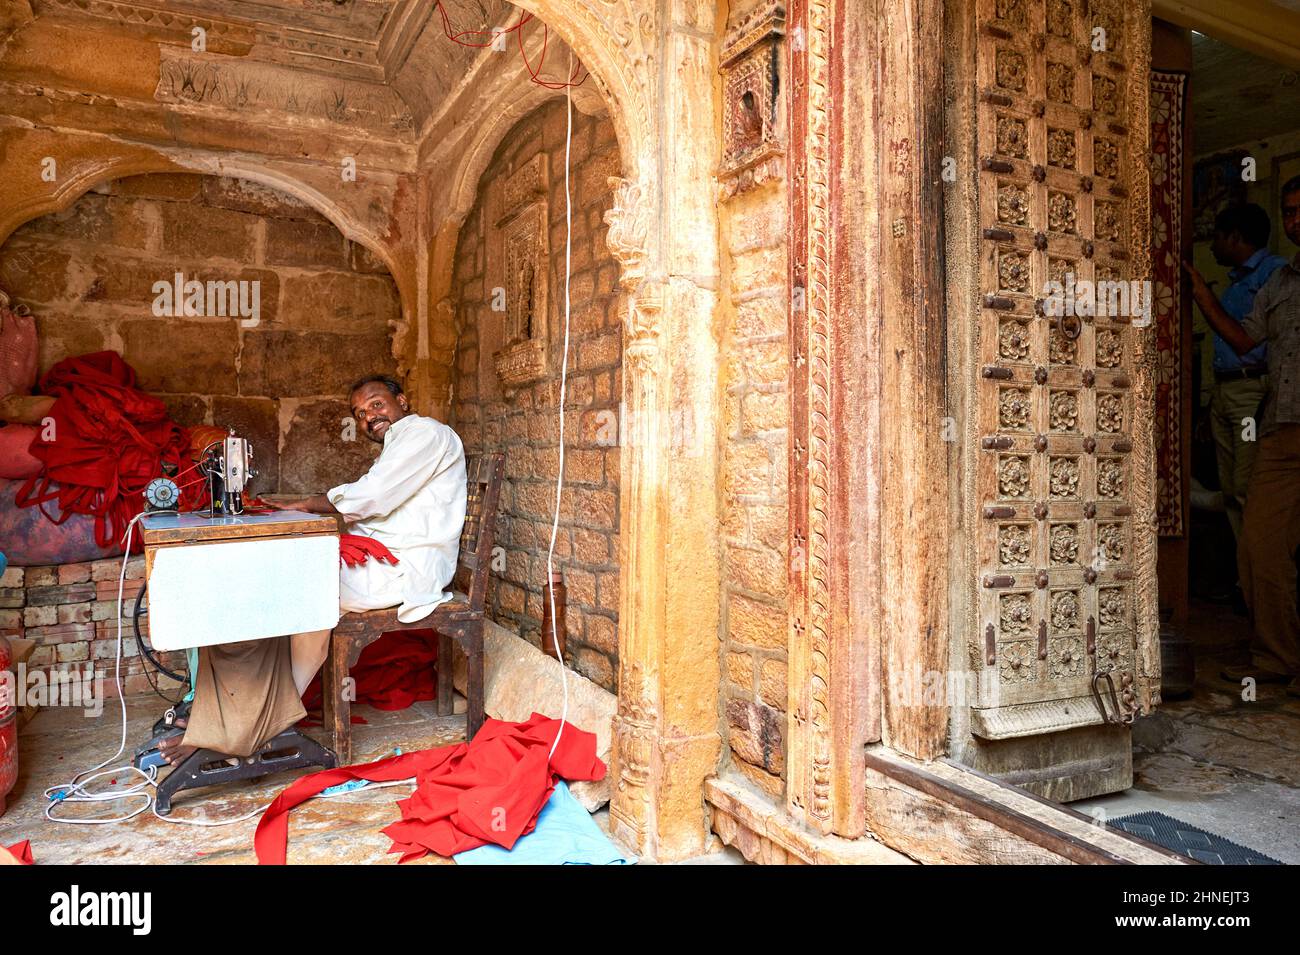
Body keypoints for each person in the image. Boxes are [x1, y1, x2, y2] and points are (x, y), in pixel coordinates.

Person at [159, 376, 467, 762]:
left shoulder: (425, 434)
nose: (369, 417)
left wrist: (305, 504)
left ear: (402, 400)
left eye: (376, 405)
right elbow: (371, 495)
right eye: (360, 413)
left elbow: (372, 495)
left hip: (407, 567)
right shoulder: (401, 444)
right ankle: (254, 718)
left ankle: (239, 723)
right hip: (387, 559)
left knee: (286, 585)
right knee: (301, 597)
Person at [1183, 176, 1300, 695]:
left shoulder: (1271, 274)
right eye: (1291, 211)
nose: (1296, 220)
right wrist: (1203, 293)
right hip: (1281, 428)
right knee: (1258, 546)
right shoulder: (1283, 283)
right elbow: (1243, 337)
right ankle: (1277, 656)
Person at [1201, 204, 1288, 543]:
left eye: (1217, 238)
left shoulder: (1276, 274)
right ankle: (1247, 575)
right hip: (1227, 392)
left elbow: (1245, 338)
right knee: (1230, 489)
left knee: (1247, 485)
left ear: (1235, 238)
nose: (1211, 247)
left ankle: (1263, 575)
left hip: (1251, 391)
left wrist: (1202, 295)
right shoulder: (1236, 281)